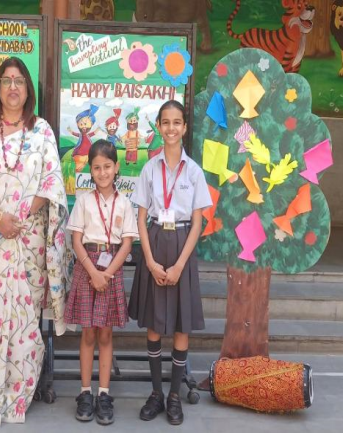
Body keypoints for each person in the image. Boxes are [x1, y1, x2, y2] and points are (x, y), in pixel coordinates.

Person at [0, 56, 69, 427]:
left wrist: (18, 219)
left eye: (19, 81)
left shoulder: (42, 130)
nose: (12, 87)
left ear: (28, 90)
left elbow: (51, 183)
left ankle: (15, 399)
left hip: (27, 241)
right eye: (6, 80)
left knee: (24, 323)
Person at [128, 101, 212, 426]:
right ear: (159, 127)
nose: (171, 128)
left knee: (179, 324)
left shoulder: (194, 172)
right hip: (154, 243)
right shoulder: (150, 169)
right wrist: (149, 261)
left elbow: (198, 221)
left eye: (177, 122)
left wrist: (179, 266)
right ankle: (156, 393)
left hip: (181, 246)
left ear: (185, 127)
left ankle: (175, 395)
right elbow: (140, 217)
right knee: (153, 322)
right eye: (166, 122)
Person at [64, 139, 137, 426]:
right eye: (97, 167)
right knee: (88, 334)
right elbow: (76, 240)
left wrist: (106, 274)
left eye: (107, 166)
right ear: (90, 170)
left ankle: (104, 394)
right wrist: (93, 272)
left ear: (116, 167)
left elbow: (127, 244)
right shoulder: (83, 201)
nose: (103, 172)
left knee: (105, 334)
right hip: (86, 268)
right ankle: (85, 392)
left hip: (112, 269)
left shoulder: (125, 203)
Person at [68, 104, 100, 172]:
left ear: (91, 125)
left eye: (85, 124)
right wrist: (70, 131)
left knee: (89, 165)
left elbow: (93, 133)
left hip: (88, 153)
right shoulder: (80, 135)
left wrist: (97, 129)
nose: (83, 126)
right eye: (81, 124)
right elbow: (75, 134)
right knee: (79, 165)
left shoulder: (88, 135)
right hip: (80, 153)